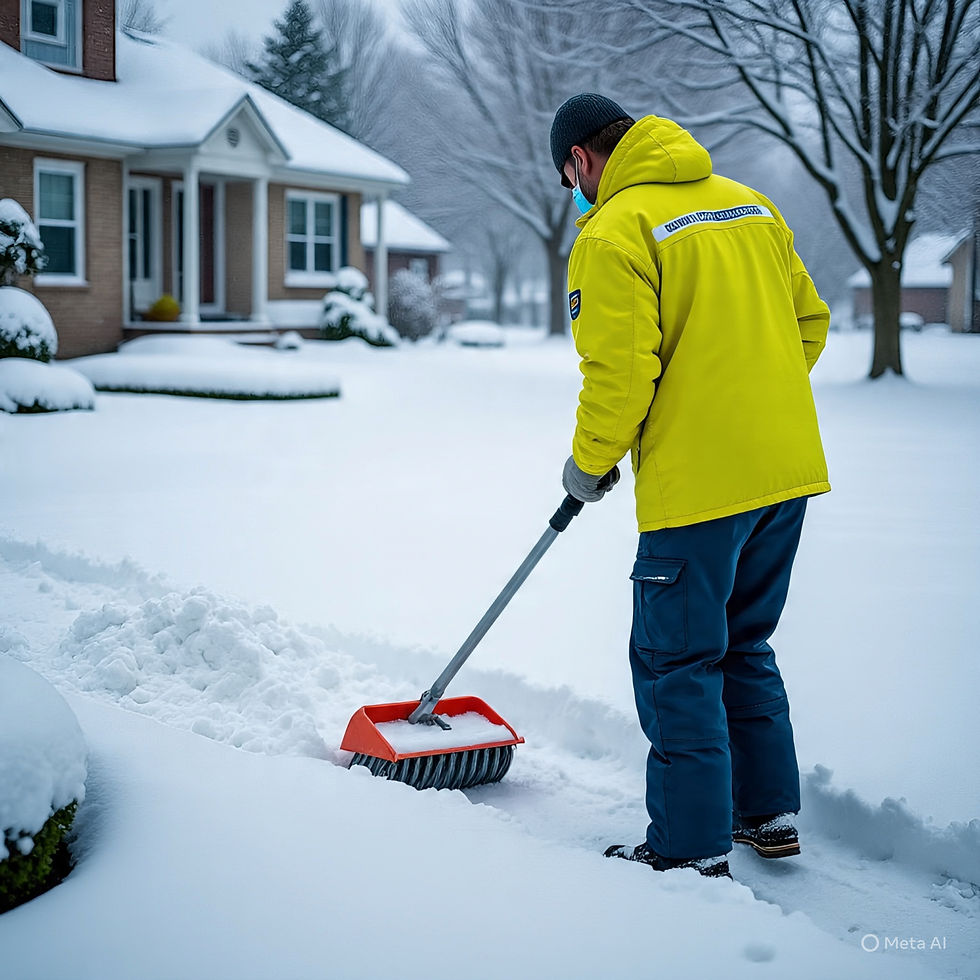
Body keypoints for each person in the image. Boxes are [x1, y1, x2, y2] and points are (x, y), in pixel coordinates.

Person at [550, 93, 831, 880]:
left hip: (698, 492)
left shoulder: (614, 231)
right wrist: (749, 402)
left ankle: (687, 846)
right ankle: (766, 816)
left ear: (581, 159)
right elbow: (810, 322)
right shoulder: (748, 205)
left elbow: (619, 375)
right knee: (745, 644)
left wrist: (588, 463)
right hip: (783, 477)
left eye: (568, 177)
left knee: (677, 662)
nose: (575, 192)